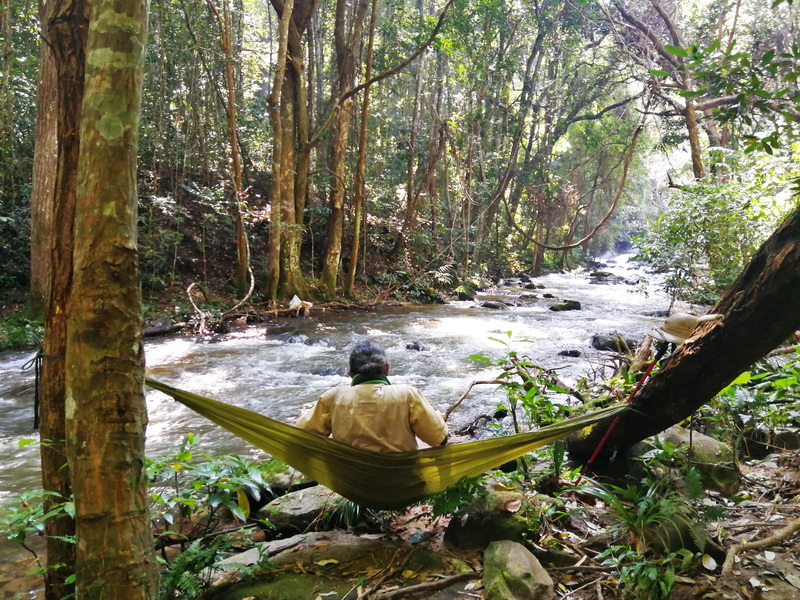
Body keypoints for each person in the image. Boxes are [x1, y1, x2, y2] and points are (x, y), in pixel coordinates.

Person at [296, 340, 448, 453]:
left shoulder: (332, 397)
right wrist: (437, 418)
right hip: (403, 483)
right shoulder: (408, 394)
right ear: (387, 369)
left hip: (351, 484)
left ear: (350, 373)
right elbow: (440, 440)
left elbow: (303, 436)